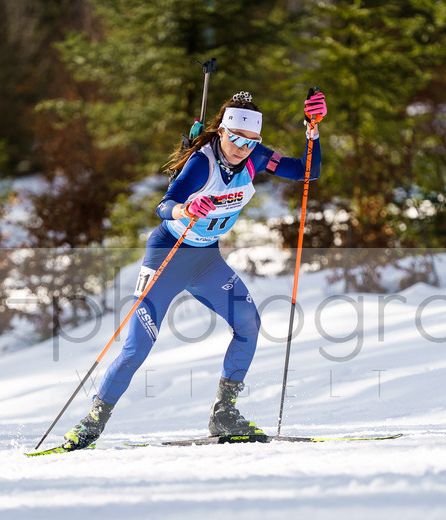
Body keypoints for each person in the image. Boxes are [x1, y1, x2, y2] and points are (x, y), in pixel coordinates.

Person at [63, 90, 328, 450]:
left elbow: (306, 171)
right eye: (235, 138)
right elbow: (164, 205)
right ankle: (91, 424)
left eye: (251, 141)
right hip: (168, 255)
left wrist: (312, 131)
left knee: (248, 323)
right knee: (137, 346)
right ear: (221, 132)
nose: (242, 147)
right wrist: (186, 209)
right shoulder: (201, 162)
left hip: (206, 260)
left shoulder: (256, 158)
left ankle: (225, 414)